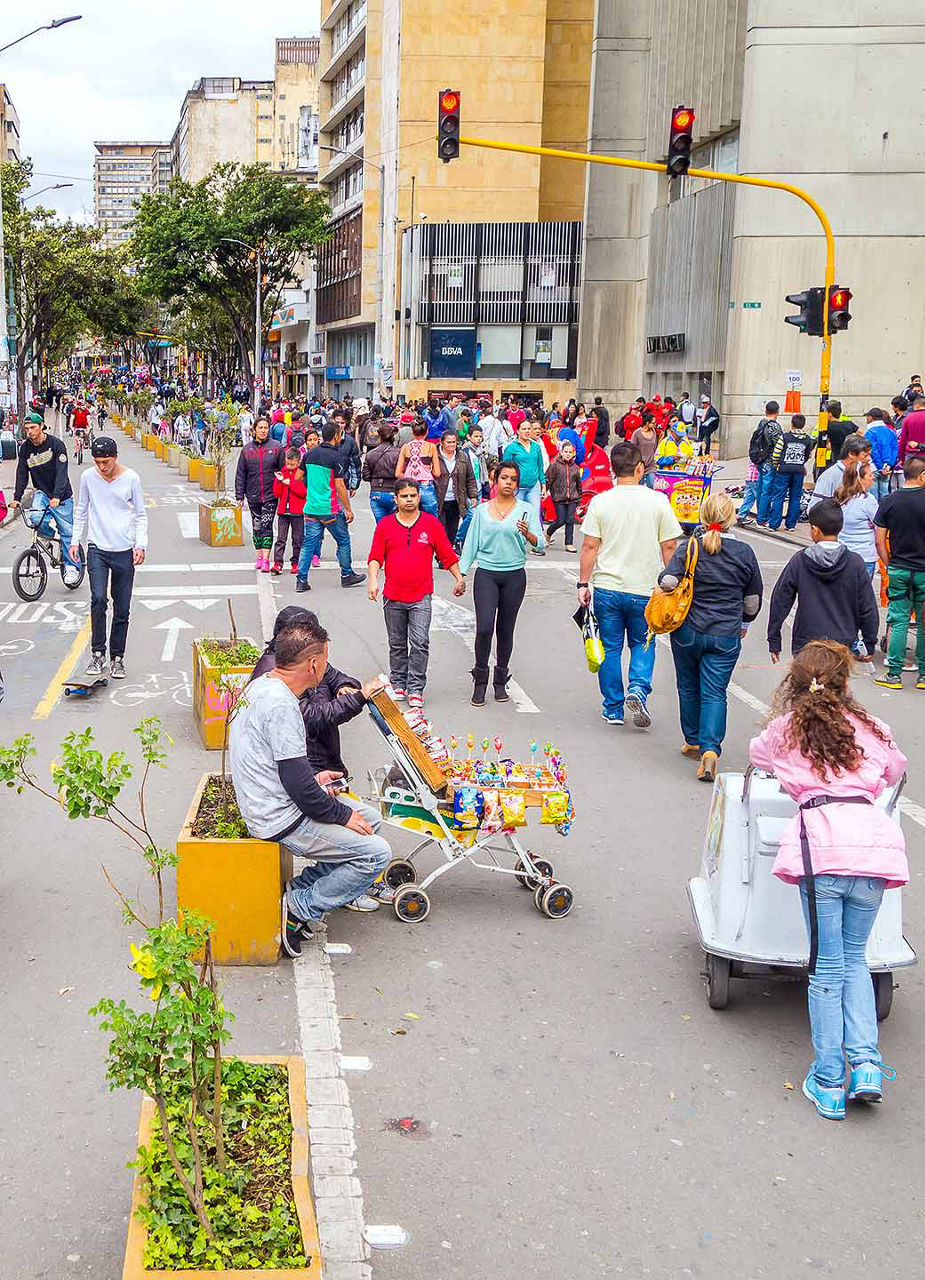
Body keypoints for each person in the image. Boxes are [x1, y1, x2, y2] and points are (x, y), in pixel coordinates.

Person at [749, 640, 907, 1120]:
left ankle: (828, 1077)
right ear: (846, 680)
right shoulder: (873, 727)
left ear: (794, 682)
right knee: (856, 960)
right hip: (875, 849)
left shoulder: (785, 730)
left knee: (826, 968)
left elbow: (758, 758)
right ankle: (866, 1065)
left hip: (822, 850)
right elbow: (894, 770)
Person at [228, 619, 391, 955]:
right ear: (314, 663)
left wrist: (317, 782)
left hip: (272, 798)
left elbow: (287, 771)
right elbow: (299, 787)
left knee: (370, 821)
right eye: (325, 661)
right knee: (376, 854)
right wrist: (340, 813)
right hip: (277, 816)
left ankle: (301, 887)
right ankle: (299, 908)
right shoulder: (282, 705)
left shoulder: (262, 686)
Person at [659, 493, 762, 781]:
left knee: (688, 686)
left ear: (703, 517)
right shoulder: (744, 553)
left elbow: (668, 581)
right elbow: (752, 601)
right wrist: (744, 622)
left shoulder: (690, 547)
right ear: (732, 518)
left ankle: (692, 739)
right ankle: (710, 750)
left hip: (689, 630)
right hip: (726, 633)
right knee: (715, 692)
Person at [578, 442, 682, 728]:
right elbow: (670, 545)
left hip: (608, 587)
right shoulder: (658, 501)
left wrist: (582, 583)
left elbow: (589, 546)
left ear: (613, 469)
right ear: (639, 468)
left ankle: (613, 708)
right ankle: (637, 689)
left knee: (610, 647)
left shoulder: (601, 501)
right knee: (643, 643)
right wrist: (671, 581)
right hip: (646, 589)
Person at [368, 477, 465, 710]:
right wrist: (373, 580)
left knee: (420, 641)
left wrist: (459, 577)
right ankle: (398, 682)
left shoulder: (431, 524)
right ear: (396, 499)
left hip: (421, 595)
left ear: (419, 497)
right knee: (397, 642)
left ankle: (416, 687)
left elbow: (446, 554)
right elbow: (375, 557)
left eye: (413, 495)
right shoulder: (386, 526)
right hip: (393, 595)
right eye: (404, 496)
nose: (409, 500)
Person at [458, 459, 545, 705]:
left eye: (513, 480)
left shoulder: (526, 509)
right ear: (495, 481)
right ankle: (480, 678)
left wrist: (529, 534)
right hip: (487, 575)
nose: (509, 483)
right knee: (485, 628)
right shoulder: (482, 511)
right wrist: (461, 575)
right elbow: (471, 544)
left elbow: (540, 542)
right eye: (504, 478)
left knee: (505, 631)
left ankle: (500, 680)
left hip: (514, 576)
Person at [69, 436, 147, 680]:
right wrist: (74, 540)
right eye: (98, 462)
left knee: (122, 607)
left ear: (115, 458)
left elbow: (141, 514)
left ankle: (117, 658)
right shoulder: (88, 478)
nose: (102, 467)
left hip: (124, 549)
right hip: (97, 548)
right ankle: (97, 653)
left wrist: (140, 544)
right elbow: (81, 509)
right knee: (98, 599)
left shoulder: (131, 478)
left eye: (106, 462)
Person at [767, 499, 878, 664]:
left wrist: (774, 639)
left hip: (806, 642)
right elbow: (867, 606)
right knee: (836, 687)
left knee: (806, 686)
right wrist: (869, 641)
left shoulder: (800, 560)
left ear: (815, 530)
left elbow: (780, 599)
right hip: (842, 643)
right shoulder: (855, 563)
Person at [10, 411, 82, 583]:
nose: (30, 432)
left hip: (62, 496)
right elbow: (21, 473)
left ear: (41, 425)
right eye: (27, 429)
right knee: (34, 518)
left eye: (33, 428)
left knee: (67, 532)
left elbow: (61, 473)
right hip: (42, 493)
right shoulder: (26, 448)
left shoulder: (56, 444)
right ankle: (47, 536)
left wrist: (57, 495)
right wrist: (17, 497)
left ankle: (72, 567)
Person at [873, 454, 925, 690]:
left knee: (899, 619)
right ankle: (923, 676)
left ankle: (894, 674)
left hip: (899, 569)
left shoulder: (889, 501)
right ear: (922, 476)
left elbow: (879, 539)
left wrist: (889, 561)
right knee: (923, 623)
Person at [295, 422, 366, 592]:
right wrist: (348, 509)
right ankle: (347, 574)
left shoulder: (309, 455)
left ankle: (301, 580)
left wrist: (314, 484)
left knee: (308, 545)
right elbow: (340, 486)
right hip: (329, 508)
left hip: (311, 507)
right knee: (343, 540)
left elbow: (298, 476)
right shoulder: (336, 457)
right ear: (335, 436)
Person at [235, 416, 284, 571]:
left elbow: (283, 470)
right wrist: (239, 496)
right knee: (256, 526)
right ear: (254, 429)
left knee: (266, 525)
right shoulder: (247, 450)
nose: (263, 430)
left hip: (271, 494)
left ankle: (266, 559)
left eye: (265, 427)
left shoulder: (276, 447)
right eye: (260, 428)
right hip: (253, 494)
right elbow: (241, 474)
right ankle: (259, 556)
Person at [502, 417, 547, 539]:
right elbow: (505, 468)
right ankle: (515, 540)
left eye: (529, 429)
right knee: (516, 514)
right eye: (524, 429)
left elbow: (540, 466)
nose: (527, 431)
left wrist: (543, 484)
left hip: (533, 486)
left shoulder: (536, 447)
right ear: (518, 431)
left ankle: (537, 542)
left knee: (535, 514)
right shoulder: (511, 447)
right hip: (517, 487)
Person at [768, 412, 813, 531]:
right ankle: (791, 525)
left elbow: (776, 453)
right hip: (798, 470)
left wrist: (776, 464)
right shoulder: (807, 439)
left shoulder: (785, 437)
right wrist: (801, 464)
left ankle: (774, 524)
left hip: (783, 470)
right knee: (795, 497)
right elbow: (807, 455)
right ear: (803, 425)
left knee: (779, 496)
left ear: (792, 424)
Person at [833, 460, 878, 579]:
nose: (873, 477)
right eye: (869, 475)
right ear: (860, 479)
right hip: (864, 555)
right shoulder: (867, 500)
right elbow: (880, 525)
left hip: (842, 554)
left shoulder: (840, 497)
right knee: (861, 595)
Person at [434, 429, 478, 547]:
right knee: (441, 530)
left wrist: (473, 495)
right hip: (439, 500)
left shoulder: (462, 456)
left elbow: (470, 477)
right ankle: (441, 557)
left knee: (452, 530)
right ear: (442, 442)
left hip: (456, 499)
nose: (452, 445)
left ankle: (448, 551)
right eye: (449, 442)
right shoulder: (434, 455)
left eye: (454, 442)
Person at [742, 401, 782, 527]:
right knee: (766, 490)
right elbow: (779, 445)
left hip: (760, 461)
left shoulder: (762, 423)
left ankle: (761, 516)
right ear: (777, 412)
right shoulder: (774, 426)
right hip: (769, 462)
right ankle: (762, 518)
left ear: (766, 411)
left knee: (760, 489)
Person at [808, 433, 872, 509]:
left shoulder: (862, 473)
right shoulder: (830, 476)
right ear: (851, 454)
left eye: (869, 455)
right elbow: (814, 507)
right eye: (865, 455)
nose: (869, 458)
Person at [272, 447, 307, 576]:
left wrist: (290, 483)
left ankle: (296, 562)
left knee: (297, 539)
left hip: (297, 512)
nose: (290, 466)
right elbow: (277, 493)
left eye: (293, 464)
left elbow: (303, 493)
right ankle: (278, 563)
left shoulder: (301, 474)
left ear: (298, 462)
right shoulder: (283, 471)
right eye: (288, 463)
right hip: (283, 511)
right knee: (281, 539)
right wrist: (279, 481)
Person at [395, 419, 441, 516]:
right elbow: (437, 473)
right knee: (431, 518)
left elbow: (398, 473)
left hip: (409, 485)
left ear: (412, 432)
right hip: (426, 485)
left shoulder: (405, 447)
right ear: (427, 432)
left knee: (408, 516)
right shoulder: (431, 447)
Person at [544, 438, 582, 551]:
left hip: (572, 497)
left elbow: (578, 484)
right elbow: (548, 479)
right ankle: (548, 532)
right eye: (566, 451)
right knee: (560, 520)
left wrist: (579, 499)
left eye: (570, 452)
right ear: (561, 452)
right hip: (559, 497)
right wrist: (546, 490)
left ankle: (569, 543)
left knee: (570, 520)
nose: (568, 454)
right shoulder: (554, 466)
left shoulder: (575, 468)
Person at [362, 420, 402, 522]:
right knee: (396, 526)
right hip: (394, 491)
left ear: (379, 436)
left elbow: (365, 476)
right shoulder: (398, 453)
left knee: (381, 527)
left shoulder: (371, 454)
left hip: (376, 492)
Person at [864, 408, 899, 501]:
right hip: (887, 468)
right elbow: (895, 449)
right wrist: (889, 465)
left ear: (871, 417)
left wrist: (880, 467)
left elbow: (872, 451)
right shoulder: (891, 432)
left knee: (873, 497)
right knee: (885, 495)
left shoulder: (870, 432)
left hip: (873, 467)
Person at [630, 413, 659, 488]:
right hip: (639, 464)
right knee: (640, 487)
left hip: (651, 465)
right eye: (653, 423)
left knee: (651, 485)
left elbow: (654, 447)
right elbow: (632, 448)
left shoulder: (653, 432)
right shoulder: (637, 433)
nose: (655, 425)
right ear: (647, 423)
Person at [823, 400, 856, 466]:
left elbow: (825, 444)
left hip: (835, 459)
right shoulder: (848, 424)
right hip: (848, 459)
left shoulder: (828, 426)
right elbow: (861, 434)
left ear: (830, 414)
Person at [897, 394, 925, 463]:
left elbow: (903, 440)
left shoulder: (908, 418)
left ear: (916, 405)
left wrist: (901, 459)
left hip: (912, 455)